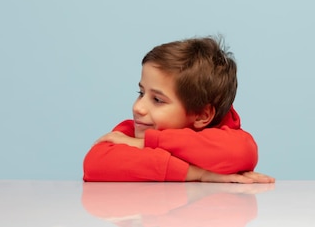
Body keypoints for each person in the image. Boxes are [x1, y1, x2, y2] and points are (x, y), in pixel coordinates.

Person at [83, 36, 274, 183]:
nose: (138, 107)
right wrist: (198, 174)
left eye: (157, 99)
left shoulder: (224, 136)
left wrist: (147, 144)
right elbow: (95, 163)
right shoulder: (134, 129)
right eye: (141, 93)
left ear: (202, 115)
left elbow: (243, 153)